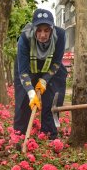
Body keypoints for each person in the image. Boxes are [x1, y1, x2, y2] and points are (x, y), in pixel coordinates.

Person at [13, 8, 67, 139]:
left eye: (47, 30)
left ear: (52, 29)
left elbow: (57, 62)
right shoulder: (24, 38)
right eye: (39, 30)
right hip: (27, 69)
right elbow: (23, 72)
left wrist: (44, 80)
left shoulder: (60, 35)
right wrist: (31, 93)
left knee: (53, 101)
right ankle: (20, 136)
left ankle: (49, 135)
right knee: (23, 101)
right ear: (34, 29)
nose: (43, 35)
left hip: (52, 69)